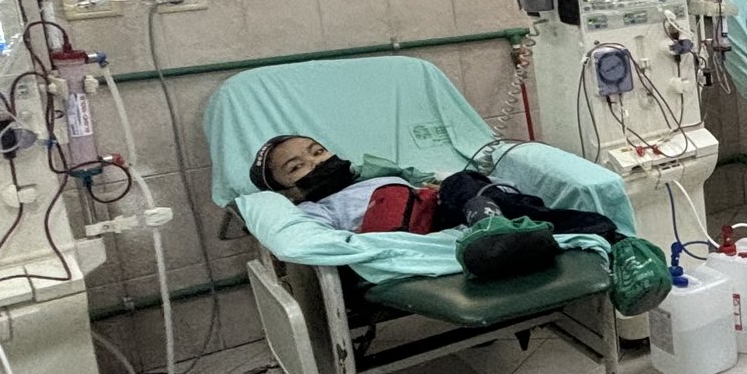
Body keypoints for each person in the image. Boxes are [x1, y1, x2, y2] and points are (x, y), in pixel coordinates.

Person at [249, 134, 618, 239]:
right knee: (471, 192)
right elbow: (311, 238)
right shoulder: (313, 209)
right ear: (289, 192)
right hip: (401, 235)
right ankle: (603, 233)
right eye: (297, 167)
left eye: (318, 151)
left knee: (461, 182)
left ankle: (492, 225)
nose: (316, 162)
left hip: (448, 215)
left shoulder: (379, 175)